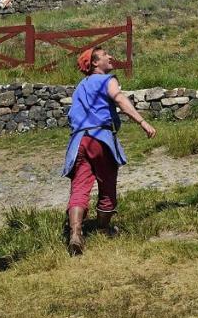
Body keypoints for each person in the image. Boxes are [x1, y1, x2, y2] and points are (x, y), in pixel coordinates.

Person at [62, 46, 156, 255]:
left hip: (78, 141)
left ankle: (76, 233)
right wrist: (142, 122)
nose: (110, 57)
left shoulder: (80, 87)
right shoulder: (107, 80)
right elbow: (120, 100)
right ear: (95, 63)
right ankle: (103, 228)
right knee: (107, 185)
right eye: (105, 55)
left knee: (79, 188)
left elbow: (71, 116)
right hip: (100, 139)